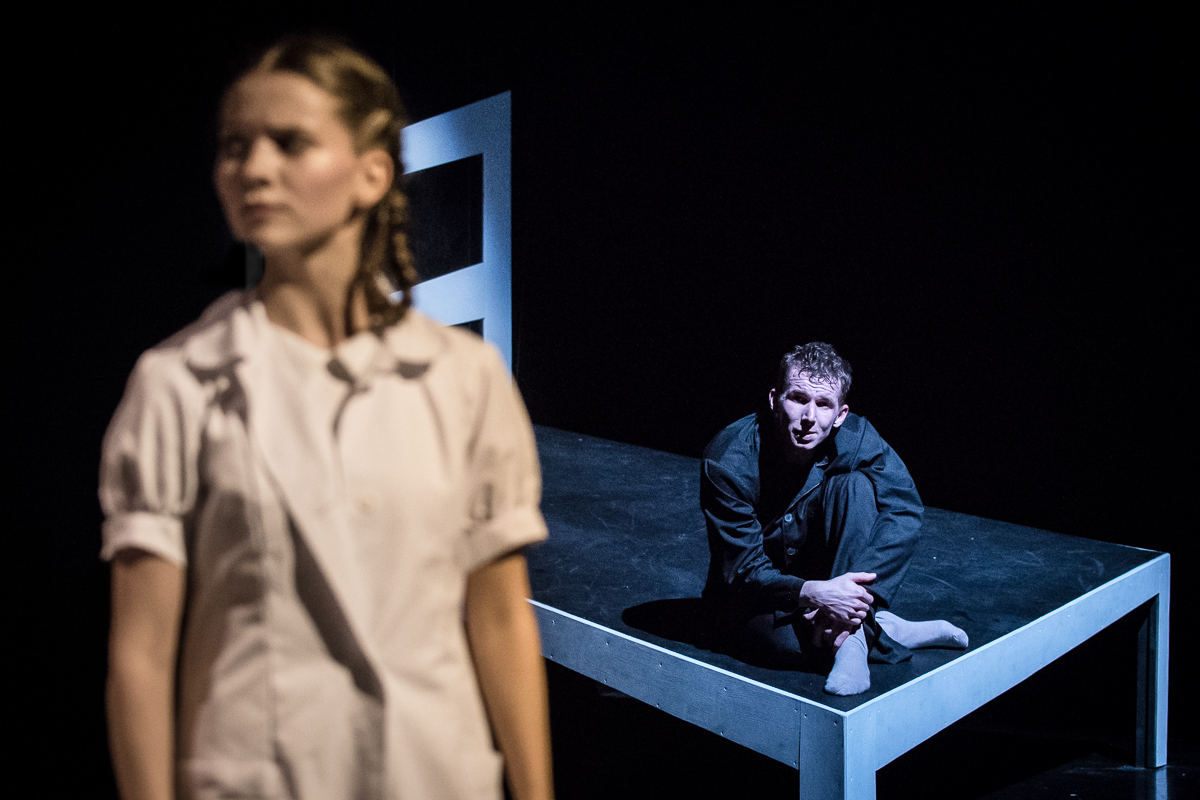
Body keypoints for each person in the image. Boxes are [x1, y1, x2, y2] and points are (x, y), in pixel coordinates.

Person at [101, 35, 554, 800]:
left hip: (431, 776)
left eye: (289, 143)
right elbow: (141, 656)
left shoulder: (465, 379)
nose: (253, 168)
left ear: (372, 172)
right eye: (235, 146)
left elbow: (501, 619)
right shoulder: (177, 385)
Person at [701, 342, 967, 695]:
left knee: (856, 487)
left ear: (840, 414)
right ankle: (879, 630)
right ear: (775, 399)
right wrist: (813, 592)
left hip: (832, 576)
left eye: (823, 404)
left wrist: (854, 595)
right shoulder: (728, 460)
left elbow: (904, 509)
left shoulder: (856, 436)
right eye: (798, 399)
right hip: (760, 592)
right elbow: (742, 568)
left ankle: (854, 633)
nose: (809, 417)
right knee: (783, 644)